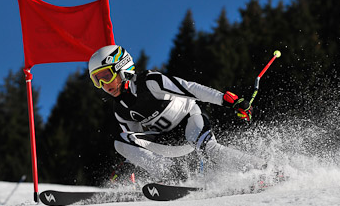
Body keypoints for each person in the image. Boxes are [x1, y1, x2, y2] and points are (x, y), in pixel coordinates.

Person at [88, 45, 265, 182]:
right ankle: (171, 175)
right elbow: (136, 142)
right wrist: (127, 164)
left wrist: (228, 100)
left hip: (190, 122)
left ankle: (264, 169)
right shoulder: (120, 109)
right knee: (120, 141)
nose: (104, 84)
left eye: (106, 76)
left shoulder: (150, 82)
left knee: (210, 149)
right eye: (97, 80)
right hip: (167, 141)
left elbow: (190, 88)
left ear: (122, 68)